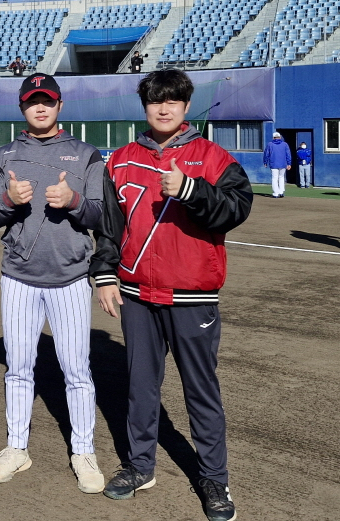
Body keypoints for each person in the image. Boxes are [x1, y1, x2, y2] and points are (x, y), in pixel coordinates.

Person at [90, 69, 252, 521]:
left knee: (201, 390)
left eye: (173, 101)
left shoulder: (214, 158)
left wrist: (189, 190)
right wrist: (104, 274)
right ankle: (140, 466)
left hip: (192, 296)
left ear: (186, 106)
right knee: (140, 387)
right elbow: (109, 227)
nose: (164, 109)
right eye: (155, 101)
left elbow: (235, 210)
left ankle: (214, 478)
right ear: (145, 106)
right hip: (136, 294)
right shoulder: (121, 160)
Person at [0, 73, 105, 494]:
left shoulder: (86, 154)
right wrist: (8, 201)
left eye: (48, 101)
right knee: (19, 369)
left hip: (70, 277)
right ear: (22, 107)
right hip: (19, 276)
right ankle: (16, 447)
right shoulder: (3, 156)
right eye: (33, 101)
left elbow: (102, 215)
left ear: (59, 106)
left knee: (77, 370)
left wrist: (74, 201)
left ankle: (84, 451)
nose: (41, 107)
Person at [263, 131, 291, 198]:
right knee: (281, 177)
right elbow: (288, 154)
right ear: (280, 137)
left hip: (273, 163)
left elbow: (266, 154)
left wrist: (265, 162)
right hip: (283, 164)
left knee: (275, 178)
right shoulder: (285, 144)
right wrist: (289, 163)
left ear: (273, 137)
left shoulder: (270, 144)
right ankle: (281, 192)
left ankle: (276, 193)